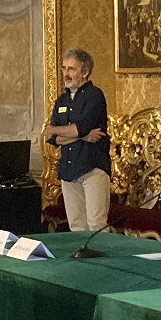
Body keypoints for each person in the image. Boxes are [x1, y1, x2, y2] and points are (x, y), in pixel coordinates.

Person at [44, 48, 111, 232]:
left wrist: (71, 132)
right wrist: (82, 136)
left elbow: (79, 127)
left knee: (96, 225)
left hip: (92, 167)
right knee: (76, 226)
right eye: (64, 68)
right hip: (68, 170)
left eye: (72, 69)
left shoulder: (95, 95)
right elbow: (52, 138)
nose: (66, 73)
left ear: (85, 72)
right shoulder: (61, 101)